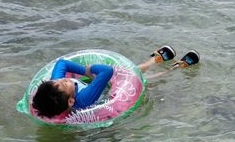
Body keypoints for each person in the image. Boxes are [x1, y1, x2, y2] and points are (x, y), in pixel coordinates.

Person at [31, 45, 199, 118]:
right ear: (71, 101)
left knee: (127, 72)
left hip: (94, 83)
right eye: (64, 83)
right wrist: (91, 71)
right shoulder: (84, 98)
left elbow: (62, 63)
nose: (62, 79)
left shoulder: (56, 86)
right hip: (107, 96)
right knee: (143, 80)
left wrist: (85, 73)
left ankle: (153, 61)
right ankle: (175, 68)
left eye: (59, 80)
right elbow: (107, 71)